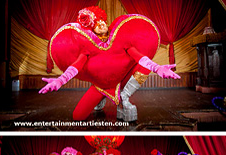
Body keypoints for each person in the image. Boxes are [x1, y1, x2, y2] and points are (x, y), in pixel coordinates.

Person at [40, 6, 180, 121]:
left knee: (143, 64)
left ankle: (123, 97)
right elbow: (75, 66)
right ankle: (102, 97)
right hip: (100, 86)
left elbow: (141, 58)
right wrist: (60, 80)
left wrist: (158, 68)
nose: (100, 24)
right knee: (77, 117)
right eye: (96, 23)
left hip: (121, 81)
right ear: (91, 29)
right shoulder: (87, 46)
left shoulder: (121, 39)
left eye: (102, 21)